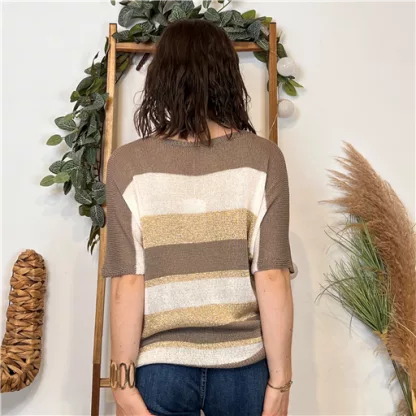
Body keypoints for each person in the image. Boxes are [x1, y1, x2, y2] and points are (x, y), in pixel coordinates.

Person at [101, 18, 295, 416]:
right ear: (227, 76)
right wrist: (281, 382)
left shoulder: (127, 164)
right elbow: (272, 277)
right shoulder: (264, 158)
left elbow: (126, 283)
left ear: (161, 79)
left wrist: (122, 387)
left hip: (160, 369)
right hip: (243, 369)